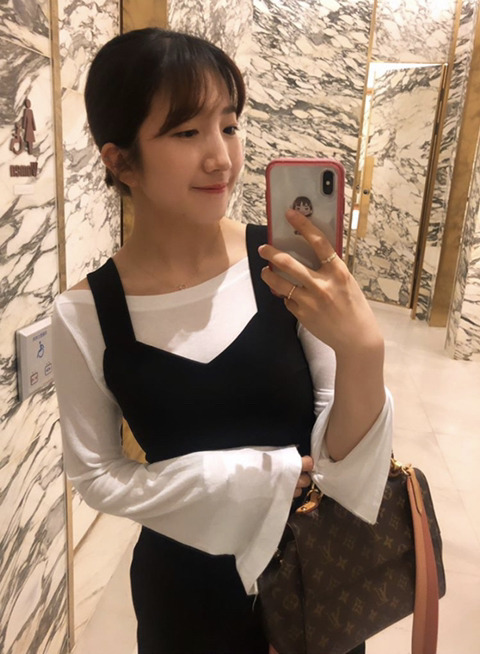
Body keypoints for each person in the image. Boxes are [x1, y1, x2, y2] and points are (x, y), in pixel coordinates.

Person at [52, 28, 393, 654]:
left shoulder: (281, 265)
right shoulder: (84, 313)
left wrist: (363, 352)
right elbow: (96, 475)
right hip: (184, 598)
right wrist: (248, 477)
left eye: (229, 126)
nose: (222, 158)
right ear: (120, 161)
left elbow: (344, 463)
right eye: (187, 133)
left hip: (316, 577)